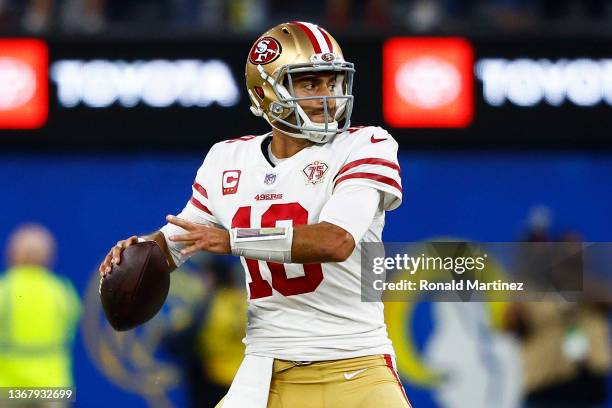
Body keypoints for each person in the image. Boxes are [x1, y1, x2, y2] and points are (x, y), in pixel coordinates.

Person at [99, 21, 408, 408]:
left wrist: (232, 240)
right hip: (264, 369)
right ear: (265, 93)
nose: (327, 96)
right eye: (310, 84)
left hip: (354, 364)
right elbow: (178, 242)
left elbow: (335, 240)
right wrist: (142, 250)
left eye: (333, 82)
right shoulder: (228, 159)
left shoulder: (366, 144)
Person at [0, 224, 81, 392]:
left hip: (9, 388)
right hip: (53, 387)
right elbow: (72, 327)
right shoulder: (62, 290)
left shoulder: (4, 289)